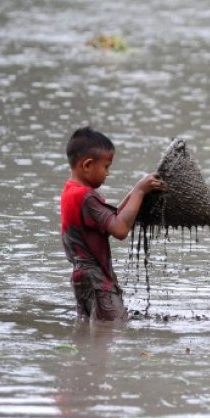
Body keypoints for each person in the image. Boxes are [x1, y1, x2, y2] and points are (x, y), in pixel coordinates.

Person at [60, 126, 166, 321]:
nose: (107, 173)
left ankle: (85, 352)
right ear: (87, 165)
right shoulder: (87, 197)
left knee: (87, 328)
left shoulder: (70, 192)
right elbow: (120, 229)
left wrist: (136, 189)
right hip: (96, 279)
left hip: (81, 277)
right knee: (115, 327)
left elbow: (113, 218)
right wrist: (140, 192)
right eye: (106, 167)